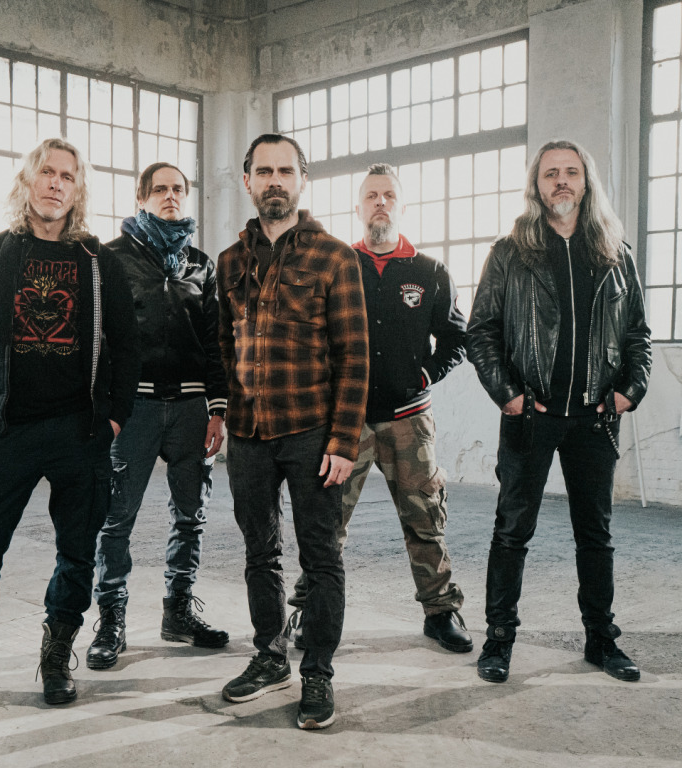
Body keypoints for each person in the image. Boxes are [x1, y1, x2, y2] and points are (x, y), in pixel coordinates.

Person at [0, 138, 140, 714]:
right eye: (47, 172)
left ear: (77, 189)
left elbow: (127, 343)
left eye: (68, 175)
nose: (56, 183)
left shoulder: (97, 262)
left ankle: (55, 655)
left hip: (80, 433)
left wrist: (113, 418)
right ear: (28, 181)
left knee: (77, 551)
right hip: (6, 432)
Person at [467, 139, 652, 684]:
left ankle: (601, 640)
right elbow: (481, 331)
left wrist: (630, 390)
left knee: (595, 534)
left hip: (596, 417)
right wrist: (510, 395)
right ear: (537, 185)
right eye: (552, 174)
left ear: (586, 182)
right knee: (511, 532)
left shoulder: (616, 253)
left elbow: (638, 333)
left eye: (572, 172)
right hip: (531, 418)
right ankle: (498, 641)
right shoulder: (510, 251)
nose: (562, 182)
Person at [217, 134, 368, 730]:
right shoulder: (230, 262)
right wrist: (222, 414)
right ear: (248, 181)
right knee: (260, 553)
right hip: (249, 433)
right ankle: (270, 654)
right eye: (263, 171)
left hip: (311, 434)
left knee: (321, 556)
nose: (274, 180)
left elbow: (354, 358)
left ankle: (319, 671)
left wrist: (343, 442)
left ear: (301, 179)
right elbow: (223, 350)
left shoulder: (334, 257)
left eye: (285, 170)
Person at [288, 163, 472, 653]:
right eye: (371, 196)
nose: (380, 203)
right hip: (346, 423)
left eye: (388, 195)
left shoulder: (430, 272)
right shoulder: (338, 264)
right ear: (358, 207)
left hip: (411, 422)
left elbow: (457, 337)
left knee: (425, 520)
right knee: (326, 523)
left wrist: (426, 374)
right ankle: (310, 611)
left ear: (402, 205)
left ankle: (440, 612)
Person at [86, 163, 229, 670]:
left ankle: (178, 613)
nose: (171, 196)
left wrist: (217, 408)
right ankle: (111, 621)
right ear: (142, 197)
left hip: (192, 409)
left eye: (178, 189)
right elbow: (97, 339)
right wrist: (106, 410)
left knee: (191, 517)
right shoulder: (111, 258)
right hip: (135, 409)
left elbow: (215, 342)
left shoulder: (199, 264)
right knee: (116, 519)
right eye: (160, 189)